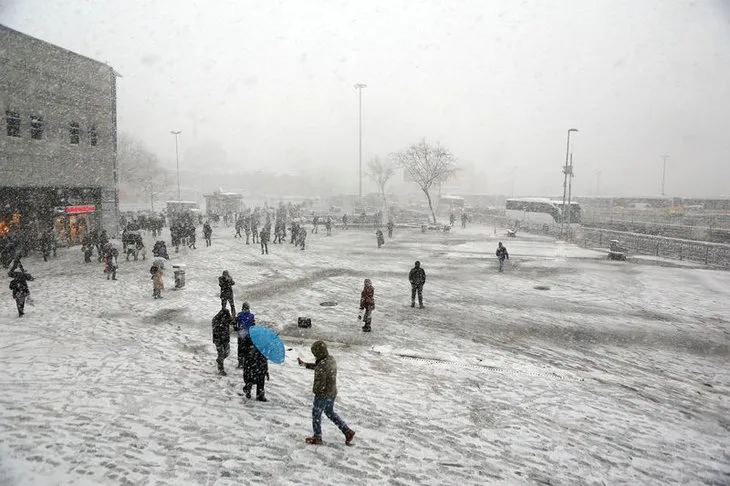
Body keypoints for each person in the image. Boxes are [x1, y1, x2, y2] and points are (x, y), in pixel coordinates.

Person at [297, 341, 355, 446]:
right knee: (329, 412)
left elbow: (320, 383)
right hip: (332, 392)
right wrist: (305, 365)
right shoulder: (330, 359)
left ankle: (317, 437)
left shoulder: (321, 366)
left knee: (316, 414)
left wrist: (315, 391)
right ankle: (347, 431)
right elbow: (319, 366)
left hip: (323, 394)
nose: (314, 355)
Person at [241, 321, 269, 401]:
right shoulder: (250, 338)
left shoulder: (259, 339)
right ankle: (252, 391)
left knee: (257, 378)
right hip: (253, 361)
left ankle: (257, 393)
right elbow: (243, 350)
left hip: (256, 362)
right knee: (254, 377)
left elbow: (265, 353)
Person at [212, 308, 233, 376]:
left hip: (225, 340)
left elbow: (231, 322)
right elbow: (216, 331)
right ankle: (221, 370)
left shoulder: (226, 320)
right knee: (221, 354)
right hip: (218, 341)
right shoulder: (216, 321)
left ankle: (219, 360)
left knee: (227, 353)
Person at [235, 302, 255, 369]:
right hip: (249, 335)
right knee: (248, 349)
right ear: (249, 308)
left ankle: (240, 363)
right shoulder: (251, 316)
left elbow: (235, 324)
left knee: (240, 349)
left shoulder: (239, 315)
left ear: (242, 307)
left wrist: (237, 328)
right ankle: (247, 363)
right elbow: (253, 325)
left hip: (241, 334)